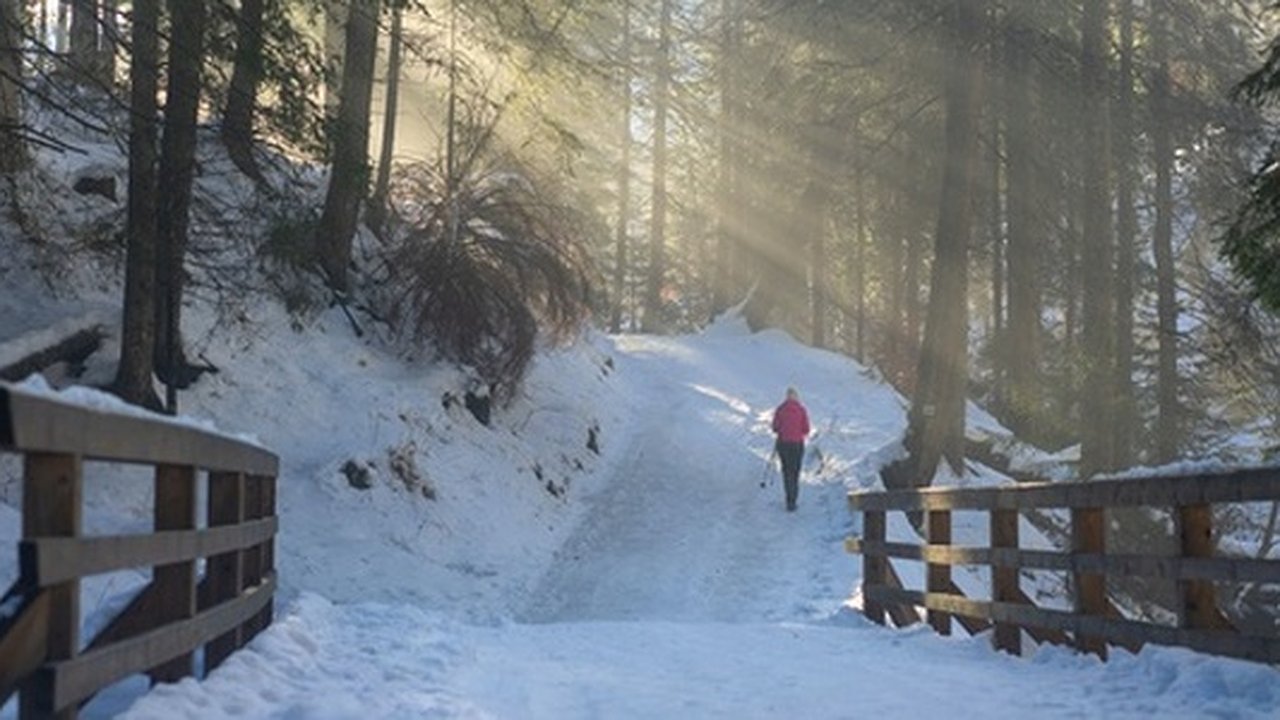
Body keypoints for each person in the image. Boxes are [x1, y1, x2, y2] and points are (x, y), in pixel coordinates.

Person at [771, 386, 810, 512]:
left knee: (787, 471)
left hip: (783, 443)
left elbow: (775, 427)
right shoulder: (801, 410)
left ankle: (789, 499)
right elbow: (806, 429)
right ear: (796, 397)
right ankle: (794, 499)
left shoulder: (780, 409)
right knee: (795, 471)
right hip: (797, 444)